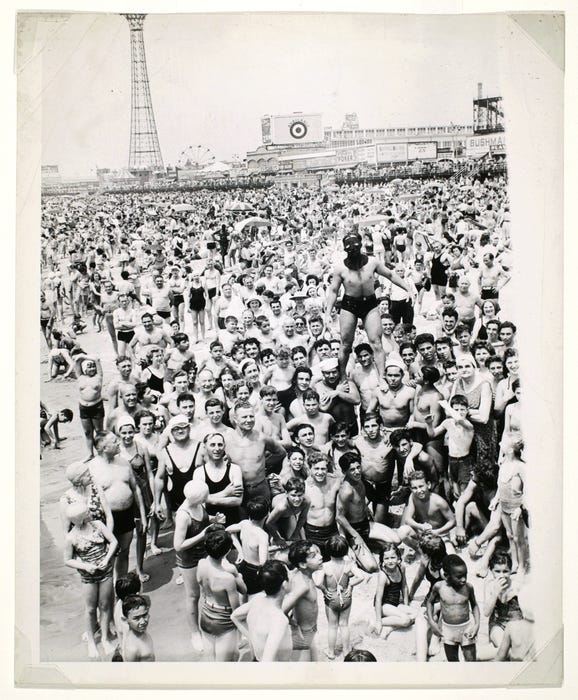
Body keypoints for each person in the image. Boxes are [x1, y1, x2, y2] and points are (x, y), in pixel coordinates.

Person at [324, 230, 410, 377]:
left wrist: (408, 288)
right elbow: (333, 291)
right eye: (350, 249)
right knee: (345, 344)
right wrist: (327, 313)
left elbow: (390, 274)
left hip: (369, 304)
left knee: (376, 342)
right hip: (349, 305)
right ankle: (343, 377)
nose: (354, 251)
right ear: (345, 250)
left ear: (361, 246)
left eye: (356, 248)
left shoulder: (372, 262)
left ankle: (382, 377)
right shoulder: (340, 268)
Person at [63, 500, 118, 658]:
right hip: (88, 577)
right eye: (87, 513)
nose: (90, 513)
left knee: (106, 605)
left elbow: (113, 541)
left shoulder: (98, 525)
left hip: (105, 571)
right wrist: (86, 567)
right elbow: (67, 560)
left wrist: (107, 559)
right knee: (90, 609)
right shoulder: (71, 537)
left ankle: (106, 638)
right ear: (80, 519)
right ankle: (91, 643)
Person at [90, 431, 147, 579]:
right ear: (103, 447)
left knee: (125, 551)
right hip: (106, 518)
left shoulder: (123, 462)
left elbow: (136, 489)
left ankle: (121, 585)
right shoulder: (92, 468)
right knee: (109, 554)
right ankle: (110, 588)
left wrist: (142, 515)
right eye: (114, 441)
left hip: (127, 514)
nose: (118, 443)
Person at [173, 480, 213, 653]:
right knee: (193, 596)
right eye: (205, 495)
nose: (208, 497)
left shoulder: (198, 505)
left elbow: (203, 521)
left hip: (203, 555)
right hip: (189, 560)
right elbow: (178, 545)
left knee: (208, 591)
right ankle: (195, 634)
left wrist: (213, 519)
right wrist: (203, 535)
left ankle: (209, 627)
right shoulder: (183, 515)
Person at [372, 543, 428, 661]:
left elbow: (404, 587)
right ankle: (379, 622)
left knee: (419, 615)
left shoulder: (401, 567)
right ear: (382, 560)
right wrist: (378, 621)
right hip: (384, 605)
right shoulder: (383, 575)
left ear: (398, 558)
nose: (390, 561)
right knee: (406, 620)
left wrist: (406, 605)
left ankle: (391, 627)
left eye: (393, 557)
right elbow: (378, 599)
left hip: (396, 603)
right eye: (386, 558)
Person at [197, 528, 244, 661]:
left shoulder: (201, 564)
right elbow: (236, 609)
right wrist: (236, 574)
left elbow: (200, 584)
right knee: (224, 667)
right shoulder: (227, 578)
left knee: (211, 662)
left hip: (206, 614)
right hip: (224, 622)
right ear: (228, 551)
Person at [231, 560, 293, 661]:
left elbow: (234, 616)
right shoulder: (279, 620)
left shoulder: (258, 599)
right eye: (289, 573)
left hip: (259, 659)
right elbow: (267, 662)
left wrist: (254, 639)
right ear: (284, 584)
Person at [316, 534, 365, 659]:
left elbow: (317, 582)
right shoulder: (349, 564)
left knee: (332, 626)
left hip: (331, 597)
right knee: (344, 625)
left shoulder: (325, 566)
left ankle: (331, 652)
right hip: (346, 596)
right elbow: (361, 577)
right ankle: (347, 650)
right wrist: (350, 586)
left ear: (327, 550)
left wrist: (324, 590)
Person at [426, 554, 480, 662]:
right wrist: (432, 622)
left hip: (466, 628)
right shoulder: (439, 587)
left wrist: (477, 625)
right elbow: (429, 602)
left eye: (465, 575)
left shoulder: (468, 588)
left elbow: (474, 605)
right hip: (448, 630)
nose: (464, 579)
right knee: (453, 661)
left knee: (471, 661)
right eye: (459, 576)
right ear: (446, 575)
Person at [282, 540, 324, 661]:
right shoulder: (302, 587)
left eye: (318, 552)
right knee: (304, 671)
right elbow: (281, 610)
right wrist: (294, 625)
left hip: (309, 630)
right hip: (303, 634)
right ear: (303, 564)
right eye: (313, 556)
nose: (320, 557)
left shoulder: (298, 573)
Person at [303, 452, 342, 561]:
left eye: (323, 469)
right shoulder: (305, 487)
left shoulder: (335, 483)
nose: (320, 472)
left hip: (332, 531)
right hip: (313, 533)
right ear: (310, 469)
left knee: (344, 562)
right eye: (316, 469)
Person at [75, 356, 105, 461]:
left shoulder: (99, 376)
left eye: (93, 367)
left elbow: (97, 360)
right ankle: (90, 454)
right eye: (89, 367)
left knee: (99, 431)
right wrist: (82, 357)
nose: (92, 369)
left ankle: (101, 452)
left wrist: (87, 357)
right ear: (84, 369)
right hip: (83, 407)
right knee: (87, 432)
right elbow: (77, 361)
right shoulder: (80, 377)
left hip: (96, 406)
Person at [120, 594, 156, 662]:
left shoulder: (140, 630)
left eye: (144, 615)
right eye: (136, 618)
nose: (142, 622)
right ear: (125, 620)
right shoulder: (132, 649)